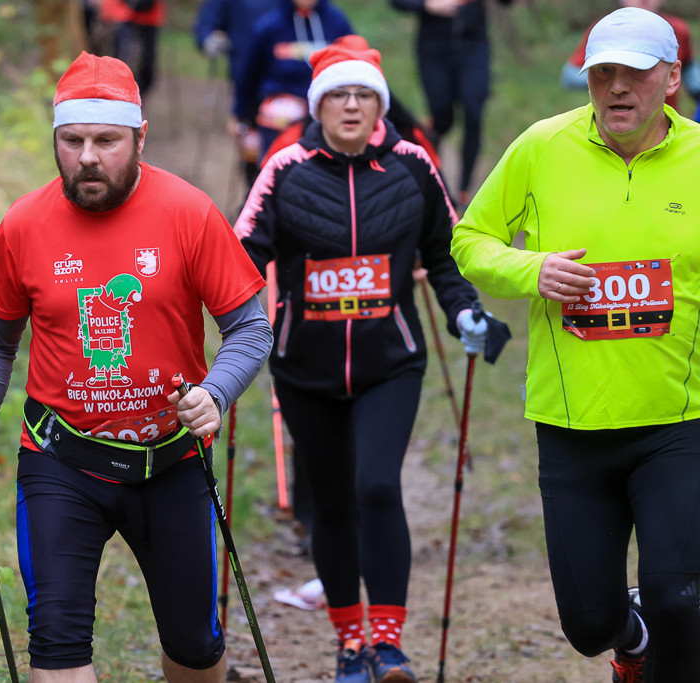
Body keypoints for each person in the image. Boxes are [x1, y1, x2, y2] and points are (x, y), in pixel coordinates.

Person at [0, 52, 273, 682]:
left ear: (139, 138)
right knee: (58, 643)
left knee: (194, 645)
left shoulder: (189, 212)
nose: (88, 156)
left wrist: (217, 392)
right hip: (61, 460)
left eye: (106, 140)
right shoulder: (24, 224)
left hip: (170, 460)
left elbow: (249, 329)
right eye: (71, 141)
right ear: (56, 142)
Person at [235, 35, 494, 682]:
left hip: (390, 359)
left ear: (379, 103)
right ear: (319, 106)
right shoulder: (285, 169)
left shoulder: (412, 166)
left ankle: (389, 642)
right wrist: (217, 320)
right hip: (305, 367)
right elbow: (241, 257)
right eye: (338, 95)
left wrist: (462, 310)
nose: (351, 106)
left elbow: (445, 254)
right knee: (331, 501)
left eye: (363, 95)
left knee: (377, 486)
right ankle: (350, 642)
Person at [451, 8, 700, 682]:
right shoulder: (541, 145)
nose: (617, 88)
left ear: (672, 77)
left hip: (678, 425)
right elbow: (469, 241)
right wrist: (536, 271)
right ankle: (632, 641)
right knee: (589, 624)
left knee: (684, 599)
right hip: (572, 424)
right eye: (601, 74)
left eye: (635, 74)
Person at [389, 0, 515, 208]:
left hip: (473, 46)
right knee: (441, 117)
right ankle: (430, 162)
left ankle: (464, 192)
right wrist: (427, 5)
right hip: (433, 47)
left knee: (473, 112)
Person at [237, 0, 353, 165]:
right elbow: (249, 76)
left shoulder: (336, 22)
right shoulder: (269, 26)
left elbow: (353, 64)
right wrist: (242, 115)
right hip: (280, 113)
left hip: (326, 110)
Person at [193, 0, 278, 191]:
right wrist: (209, 39)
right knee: (252, 152)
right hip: (246, 83)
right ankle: (255, 199)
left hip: (285, 84)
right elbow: (207, 21)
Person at [561, 0, 700, 115]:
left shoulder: (679, 30)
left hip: (665, 122)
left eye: (638, 70)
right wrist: (604, 79)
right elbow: (569, 75)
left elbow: (687, 67)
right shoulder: (603, 29)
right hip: (614, 119)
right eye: (605, 69)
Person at [99, 0, 165, 100]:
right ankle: (121, 101)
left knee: (146, 71)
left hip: (149, 21)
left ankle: (137, 102)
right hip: (126, 20)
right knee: (123, 66)